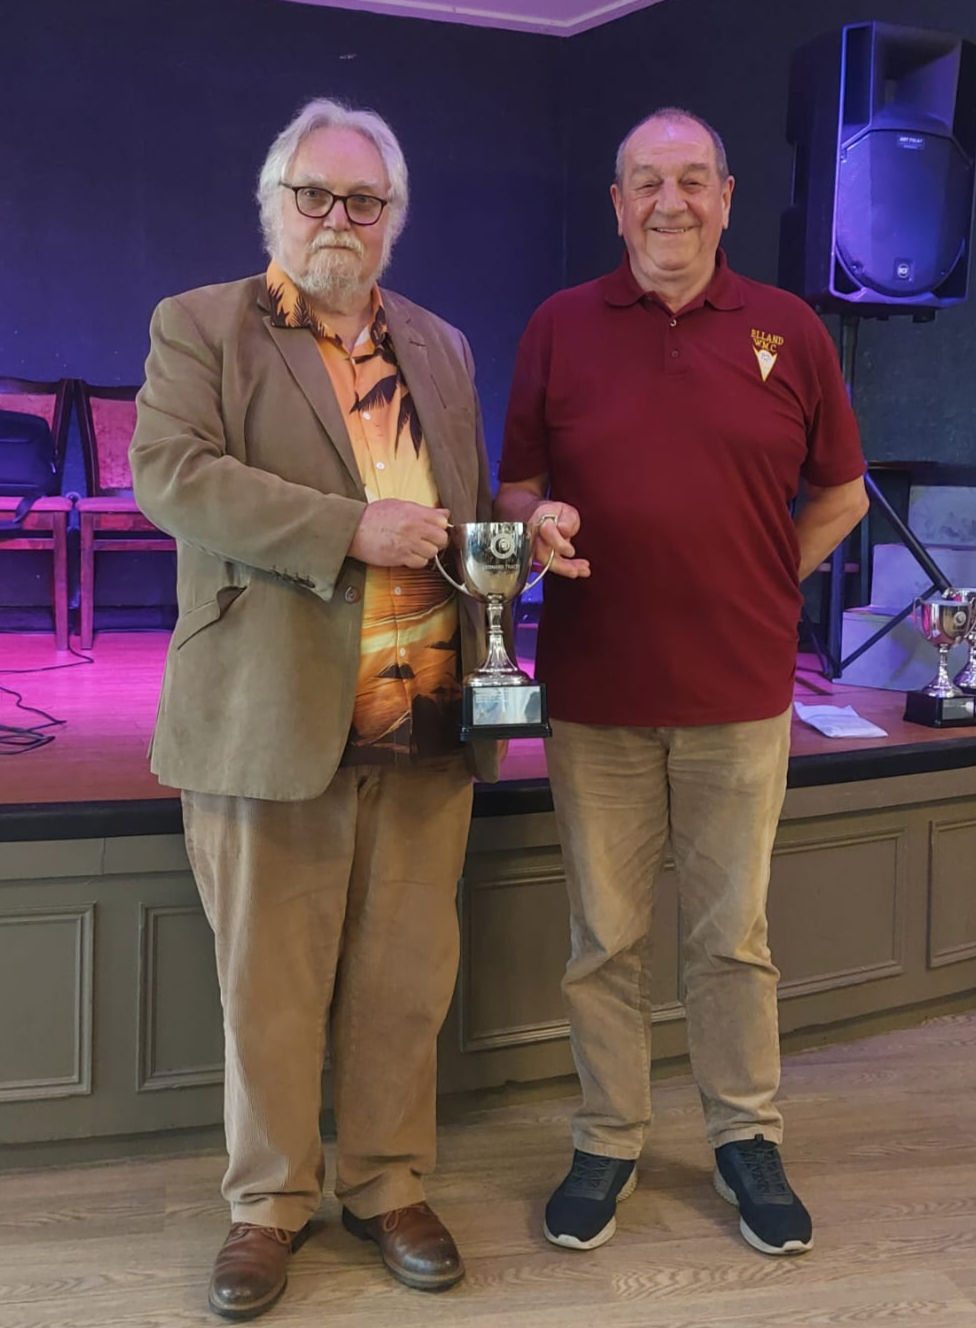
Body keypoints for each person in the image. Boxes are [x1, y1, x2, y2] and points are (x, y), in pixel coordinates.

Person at [129, 97, 498, 1319]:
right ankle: (269, 1203)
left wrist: (523, 536)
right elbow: (172, 476)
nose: (339, 220)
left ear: (394, 217)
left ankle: (387, 1181)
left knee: (403, 975)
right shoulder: (203, 326)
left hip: (424, 708)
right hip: (269, 710)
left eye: (364, 200)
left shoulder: (439, 344)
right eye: (316, 196)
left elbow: (463, 511)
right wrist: (350, 529)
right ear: (274, 203)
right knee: (271, 981)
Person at [495, 107, 868, 1259]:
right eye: (646, 182)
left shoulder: (789, 329)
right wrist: (533, 521)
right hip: (595, 692)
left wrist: (764, 581)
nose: (670, 202)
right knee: (603, 938)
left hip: (739, 696)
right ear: (616, 204)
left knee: (730, 941)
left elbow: (843, 492)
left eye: (691, 180)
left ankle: (743, 1137)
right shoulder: (558, 327)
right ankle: (608, 1135)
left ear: (726, 194)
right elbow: (514, 487)